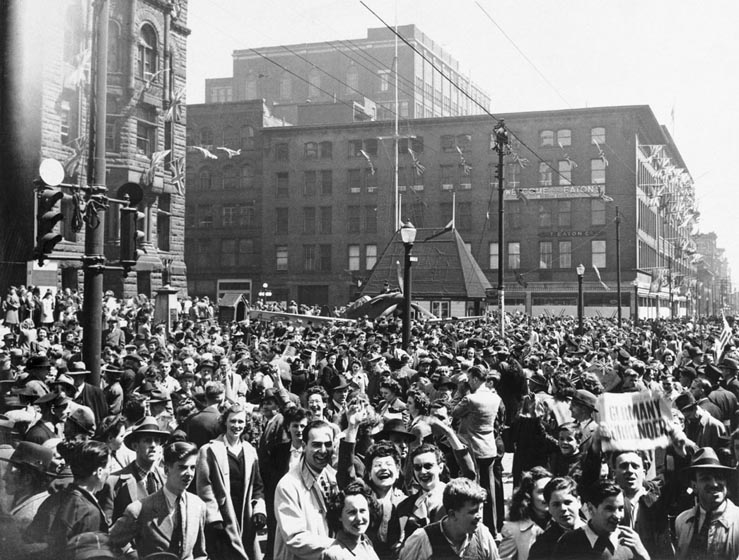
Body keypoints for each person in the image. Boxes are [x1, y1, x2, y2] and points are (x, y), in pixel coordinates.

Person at [110, 441, 208, 560]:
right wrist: (131, 555)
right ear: (166, 470)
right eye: (182, 467)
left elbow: (200, 554)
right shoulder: (139, 509)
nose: (189, 474)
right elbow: (109, 543)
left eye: (192, 468)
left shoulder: (198, 505)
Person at [197, 403, 267, 560]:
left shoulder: (249, 450)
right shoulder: (209, 450)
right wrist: (213, 518)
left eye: (241, 422)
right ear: (225, 423)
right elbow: (205, 487)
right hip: (222, 520)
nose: (237, 426)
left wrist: (259, 510)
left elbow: (257, 485)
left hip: (245, 518)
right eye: (233, 421)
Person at [26, 440, 111, 558]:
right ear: (99, 472)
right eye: (109, 468)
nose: (110, 473)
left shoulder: (53, 499)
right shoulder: (89, 512)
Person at [273, 419, 338, 560]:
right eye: (316, 445)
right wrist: (338, 546)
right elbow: (295, 538)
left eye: (328, 444)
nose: (323, 451)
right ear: (304, 446)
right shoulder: (288, 485)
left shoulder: (333, 478)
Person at [452, 365, 504, 533]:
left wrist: (461, 392)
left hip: (473, 448)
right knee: (490, 491)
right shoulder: (495, 398)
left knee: (473, 490)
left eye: (469, 379)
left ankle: (476, 528)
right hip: (489, 446)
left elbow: (454, 412)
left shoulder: (470, 399)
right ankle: (493, 528)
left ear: (475, 379)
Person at [398, 477, 500, 560]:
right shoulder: (423, 538)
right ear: (452, 514)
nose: (479, 516)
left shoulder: (482, 534)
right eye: (472, 511)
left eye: (481, 509)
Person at [553, 480, 650, 560]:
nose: (617, 516)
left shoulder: (629, 540)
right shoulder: (569, 543)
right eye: (609, 509)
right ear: (591, 509)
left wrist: (643, 553)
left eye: (620, 509)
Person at [99, 416, 169, 522]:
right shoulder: (114, 482)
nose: (153, 445)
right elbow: (106, 525)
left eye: (157, 441)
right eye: (147, 441)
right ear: (135, 446)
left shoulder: (166, 478)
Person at [674, 447, 739, 559]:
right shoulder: (682, 522)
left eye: (719, 477)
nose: (714, 484)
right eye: (706, 478)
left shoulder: (737, 521)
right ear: (694, 486)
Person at [610, 450, 671, 559]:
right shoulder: (608, 504)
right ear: (614, 473)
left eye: (635, 466)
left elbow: (666, 554)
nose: (629, 470)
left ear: (644, 472)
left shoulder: (657, 505)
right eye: (624, 466)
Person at [498, 467, 552, 560]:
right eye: (541, 492)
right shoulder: (513, 530)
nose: (547, 496)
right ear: (528, 496)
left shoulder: (561, 524)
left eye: (550, 491)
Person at [528, 477, 584, 560]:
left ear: (579, 502)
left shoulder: (597, 532)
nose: (563, 508)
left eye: (567, 502)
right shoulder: (543, 545)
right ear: (549, 508)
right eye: (556, 504)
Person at [322, 481, 380, 560]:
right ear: (339, 516)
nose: (359, 518)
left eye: (362, 511)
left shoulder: (366, 543)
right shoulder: (334, 554)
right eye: (352, 512)